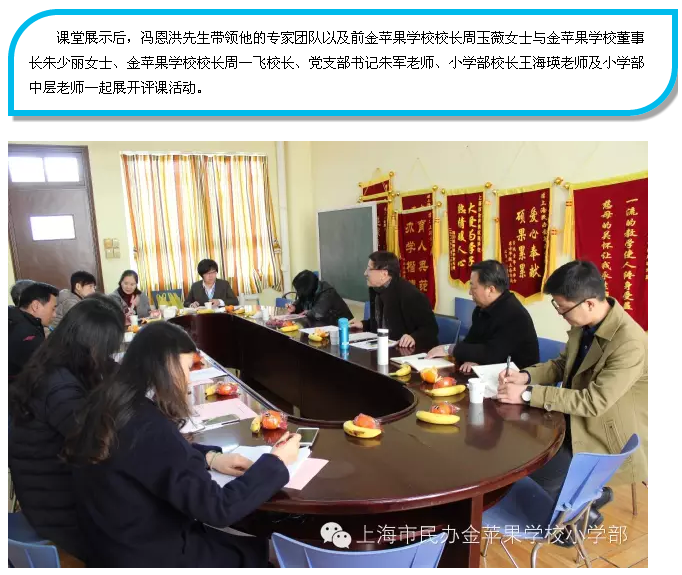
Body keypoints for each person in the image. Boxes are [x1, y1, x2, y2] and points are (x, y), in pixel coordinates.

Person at [65, 322, 301, 567]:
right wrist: (277, 461)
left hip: (110, 543)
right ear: (168, 364)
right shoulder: (149, 426)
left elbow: (145, 456)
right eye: (187, 368)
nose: (188, 381)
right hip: (151, 555)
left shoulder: (108, 402)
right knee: (263, 554)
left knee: (245, 545)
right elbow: (218, 508)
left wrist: (210, 458)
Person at [497, 260, 647, 540]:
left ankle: (580, 510)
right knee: (517, 445)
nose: (560, 314)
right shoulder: (585, 325)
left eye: (562, 308)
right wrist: (525, 376)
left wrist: (527, 395)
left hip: (605, 432)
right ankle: (585, 499)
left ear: (589, 303)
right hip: (573, 419)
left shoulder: (629, 342)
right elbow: (560, 365)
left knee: (527, 467)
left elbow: (593, 402)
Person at [8, 295, 125, 560]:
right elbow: (98, 446)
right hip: (58, 507)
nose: (108, 355)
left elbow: (110, 372)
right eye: (107, 348)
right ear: (92, 345)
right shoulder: (60, 386)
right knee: (144, 523)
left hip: (51, 489)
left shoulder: (56, 359)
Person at [427, 260, 539, 372]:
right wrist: (472, 358)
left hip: (516, 377)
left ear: (490, 290)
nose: (470, 292)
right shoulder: (481, 309)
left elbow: (492, 353)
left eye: (473, 287)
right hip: (490, 371)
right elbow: (471, 341)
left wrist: (449, 349)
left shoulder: (515, 315)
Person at [349, 251, 438, 349]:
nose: (365, 273)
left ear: (384, 274)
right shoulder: (376, 289)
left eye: (369, 269)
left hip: (412, 351)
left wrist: (413, 337)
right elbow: (382, 322)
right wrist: (364, 324)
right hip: (387, 347)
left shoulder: (409, 294)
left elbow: (431, 329)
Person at [9, 282, 59, 381]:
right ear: (35, 306)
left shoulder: (14, 318)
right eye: (53, 309)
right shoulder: (27, 335)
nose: (55, 315)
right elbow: (46, 368)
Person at [285, 270, 352, 325]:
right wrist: (294, 307)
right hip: (324, 326)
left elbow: (317, 314)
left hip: (344, 328)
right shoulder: (311, 290)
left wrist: (304, 313)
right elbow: (301, 301)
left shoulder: (328, 293)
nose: (298, 293)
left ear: (307, 289)